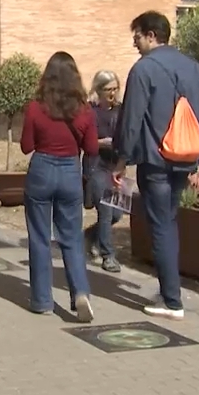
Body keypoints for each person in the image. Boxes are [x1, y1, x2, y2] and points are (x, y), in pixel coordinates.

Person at [112, 11, 199, 321]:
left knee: (162, 226)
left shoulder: (144, 70)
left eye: (137, 35)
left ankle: (171, 299)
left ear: (151, 35)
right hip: (185, 158)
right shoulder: (193, 68)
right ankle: (169, 291)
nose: (135, 41)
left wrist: (121, 159)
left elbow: (131, 120)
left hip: (155, 159)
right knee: (169, 221)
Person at [20, 51, 98, 323]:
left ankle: (42, 300)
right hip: (69, 172)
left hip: (41, 169)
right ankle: (80, 293)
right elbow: (91, 148)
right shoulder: (84, 109)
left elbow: (26, 146)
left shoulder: (35, 107)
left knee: (40, 237)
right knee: (72, 238)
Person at [83, 70, 124, 273]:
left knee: (117, 213)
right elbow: (83, 141)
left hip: (114, 166)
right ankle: (108, 255)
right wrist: (101, 143)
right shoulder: (90, 111)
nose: (113, 93)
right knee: (106, 211)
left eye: (116, 89)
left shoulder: (121, 110)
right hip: (95, 165)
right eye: (108, 89)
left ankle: (91, 235)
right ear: (98, 90)